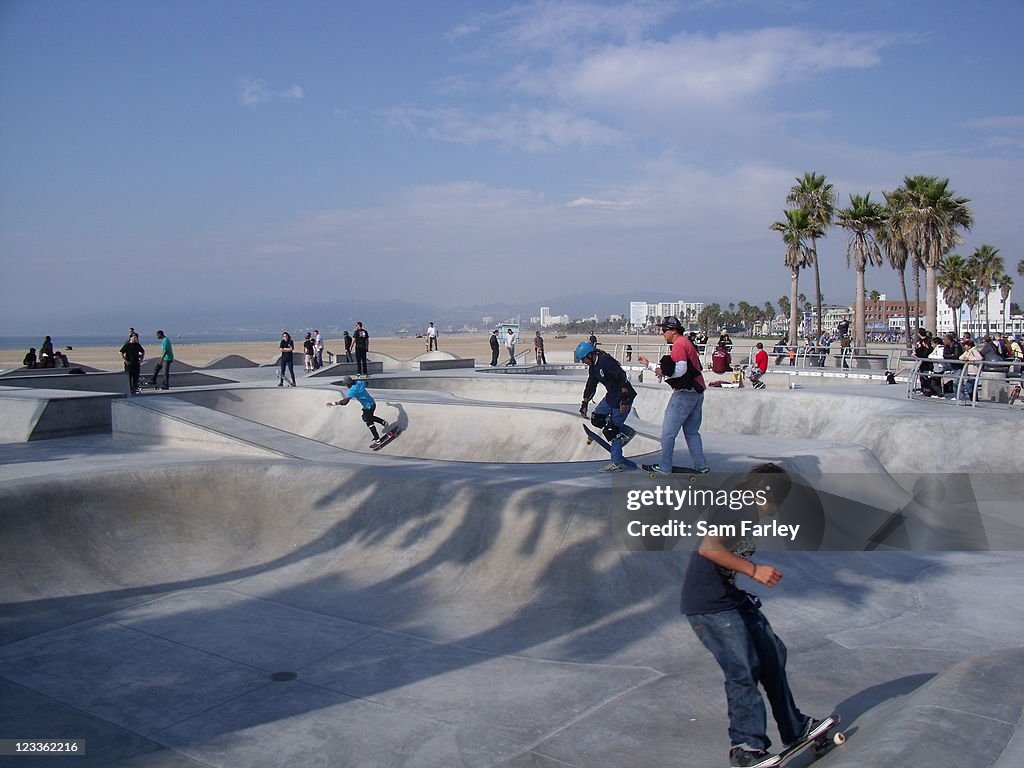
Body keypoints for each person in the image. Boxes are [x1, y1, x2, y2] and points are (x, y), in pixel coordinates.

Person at [683, 463, 827, 768]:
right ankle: (745, 746)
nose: (778, 510)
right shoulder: (741, 508)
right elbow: (708, 548)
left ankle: (795, 727)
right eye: (780, 501)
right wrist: (754, 570)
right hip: (709, 604)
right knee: (742, 668)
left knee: (772, 654)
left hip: (731, 599)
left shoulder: (741, 508)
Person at [638, 316, 709, 474]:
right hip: (697, 392)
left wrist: (663, 372)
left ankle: (664, 467)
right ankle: (701, 465)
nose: (662, 333)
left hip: (684, 394)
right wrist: (649, 365)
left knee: (668, 434)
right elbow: (677, 368)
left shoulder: (679, 344)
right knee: (691, 432)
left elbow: (680, 369)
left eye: (664, 330)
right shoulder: (686, 342)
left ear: (673, 331)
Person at [575, 341, 636, 472]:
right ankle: (626, 432)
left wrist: (624, 399)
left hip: (623, 396)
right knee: (597, 418)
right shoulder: (593, 368)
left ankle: (617, 463)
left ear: (590, 355)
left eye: (583, 359)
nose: (583, 362)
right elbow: (591, 385)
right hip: (611, 396)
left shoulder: (605, 361)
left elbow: (623, 377)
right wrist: (584, 404)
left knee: (611, 430)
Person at [326, 375, 389, 444]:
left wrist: (334, 403)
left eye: (346, 385)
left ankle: (377, 439)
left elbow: (345, 402)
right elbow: (367, 383)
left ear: (349, 384)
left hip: (368, 407)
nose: (346, 386)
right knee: (365, 417)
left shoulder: (352, 390)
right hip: (372, 403)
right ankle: (383, 422)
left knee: (369, 421)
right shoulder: (360, 382)